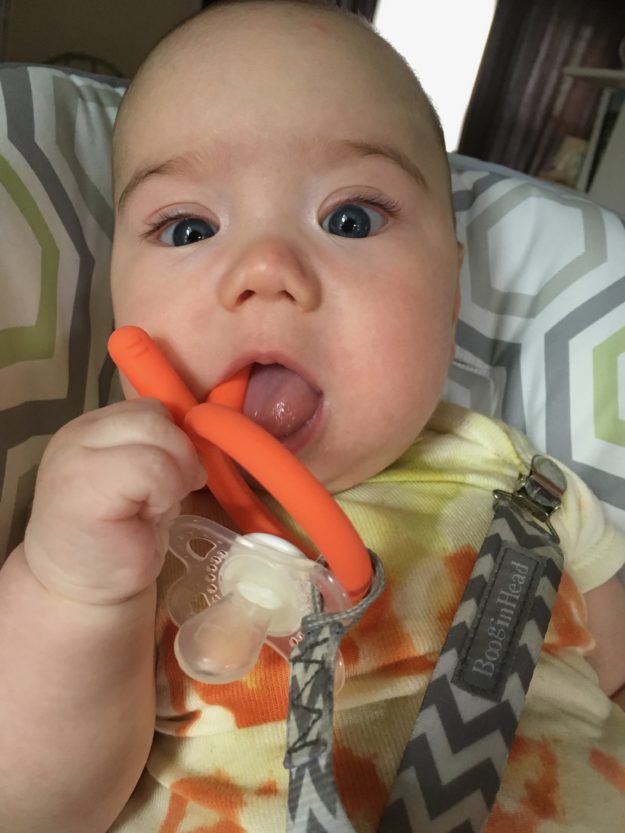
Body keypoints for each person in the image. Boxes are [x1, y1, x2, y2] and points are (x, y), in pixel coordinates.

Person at [1, 2, 625, 832]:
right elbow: (34, 807)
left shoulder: (526, 482)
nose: (265, 269)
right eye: (188, 227)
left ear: (450, 294)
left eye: (349, 219)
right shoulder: (122, 519)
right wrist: (75, 585)